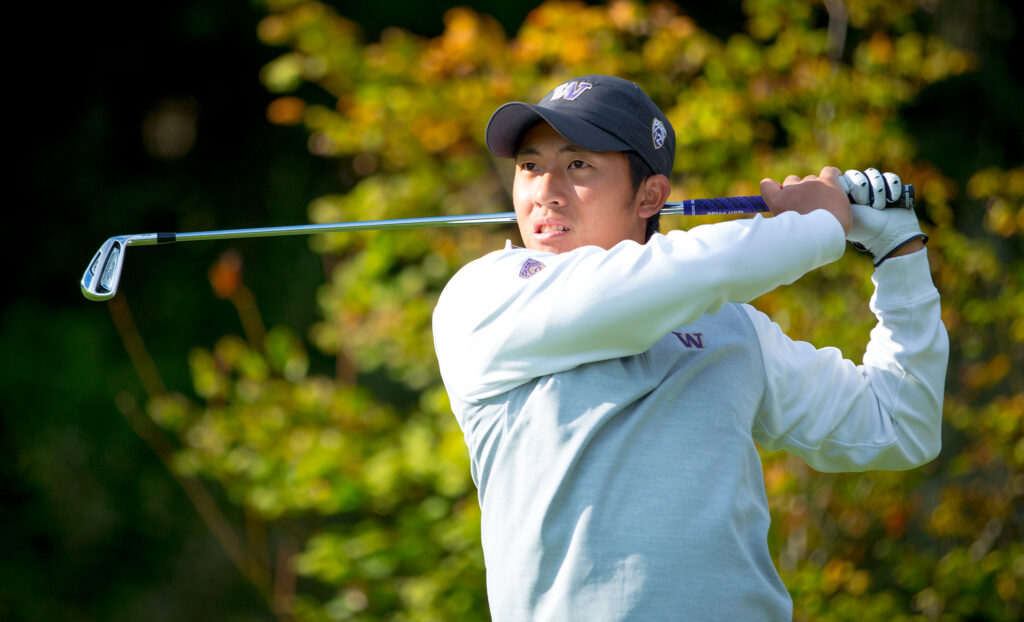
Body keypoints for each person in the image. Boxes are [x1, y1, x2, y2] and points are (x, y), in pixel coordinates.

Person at [431, 75, 948, 621]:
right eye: (530, 165)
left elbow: (899, 424)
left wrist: (900, 256)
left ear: (650, 196)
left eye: (578, 164)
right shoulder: (484, 295)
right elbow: (664, 278)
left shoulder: (729, 326)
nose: (545, 191)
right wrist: (817, 225)